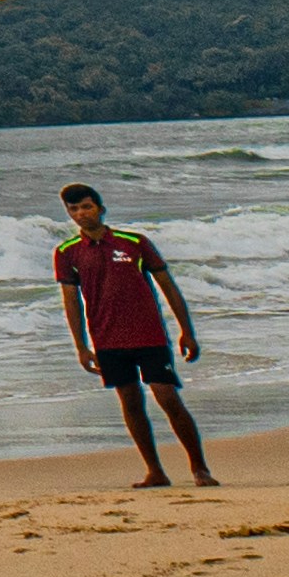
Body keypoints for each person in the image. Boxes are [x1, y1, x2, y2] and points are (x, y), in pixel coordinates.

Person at [54, 183, 215, 488]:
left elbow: (168, 287)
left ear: (100, 208)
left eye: (86, 207)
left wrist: (187, 332)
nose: (81, 214)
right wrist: (81, 346)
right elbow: (71, 302)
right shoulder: (67, 253)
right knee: (130, 402)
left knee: (167, 397)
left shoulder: (134, 243)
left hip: (149, 335)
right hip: (107, 339)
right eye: (73, 210)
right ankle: (155, 471)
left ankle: (199, 468)